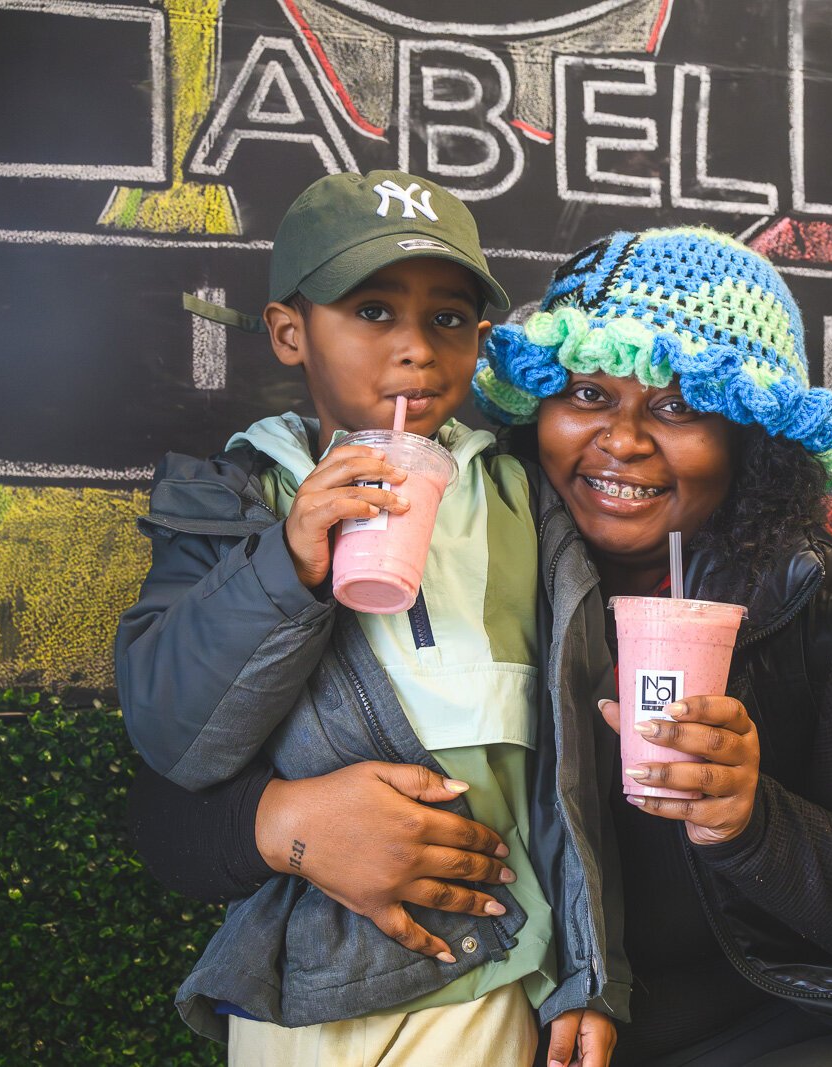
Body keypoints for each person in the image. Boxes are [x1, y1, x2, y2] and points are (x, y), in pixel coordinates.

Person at [129, 227, 832, 1064]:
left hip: (794, 1027)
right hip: (545, 1030)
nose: (622, 441)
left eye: (680, 408)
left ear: (748, 440)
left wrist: (751, 823)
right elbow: (167, 808)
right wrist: (286, 825)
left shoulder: (826, 614)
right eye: (586, 394)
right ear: (535, 408)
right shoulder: (465, 567)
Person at [114, 170, 626, 1066]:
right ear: (288, 331)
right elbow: (172, 732)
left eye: (449, 318)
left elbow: (568, 767)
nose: (417, 350)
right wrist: (289, 559)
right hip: (301, 980)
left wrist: (590, 972)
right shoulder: (233, 502)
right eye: (373, 311)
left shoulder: (523, 499)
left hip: (487, 964)